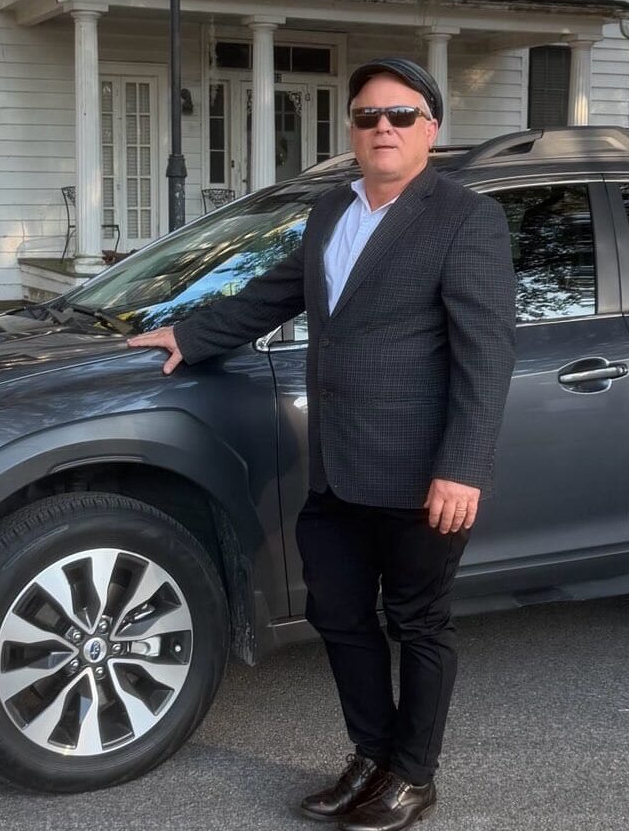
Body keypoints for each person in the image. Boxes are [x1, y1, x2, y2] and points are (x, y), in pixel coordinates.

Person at [127, 58, 517, 830]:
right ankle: (371, 755)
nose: (383, 128)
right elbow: (274, 293)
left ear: (430, 129)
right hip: (336, 465)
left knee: (419, 625)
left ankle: (413, 774)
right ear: (352, 130)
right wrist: (189, 332)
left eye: (401, 116)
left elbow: (486, 352)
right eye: (369, 116)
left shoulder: (465, 218)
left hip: (418, 474)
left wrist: (463, 467)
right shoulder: (333, 210)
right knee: (340, 616)